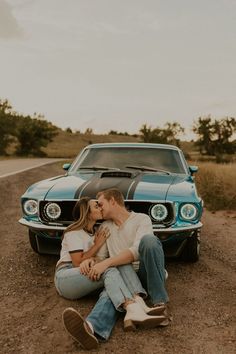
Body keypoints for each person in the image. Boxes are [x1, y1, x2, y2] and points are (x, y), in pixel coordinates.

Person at [62, 188, 170, 350]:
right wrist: (91, 261)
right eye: (96, 206)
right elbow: (101, 257)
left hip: (144, 273)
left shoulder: (141, 219)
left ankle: (158, 305)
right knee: (112, 290)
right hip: (121, 278)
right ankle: (92, 328)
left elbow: (135, 252)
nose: (100, 207)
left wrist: (105, 263)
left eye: (101, 204)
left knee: (149, 241)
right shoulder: (105, 227)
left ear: (113, 201)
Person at [54, 197, 110, 300]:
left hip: (85, 271)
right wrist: (97, 245)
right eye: (96, 207)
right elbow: (77, 262)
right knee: (109, 271)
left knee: (110, 282)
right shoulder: (74, 232)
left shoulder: (96, 231)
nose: (101, 208)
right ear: (88, 214)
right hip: (66, 275)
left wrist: (93, 259)